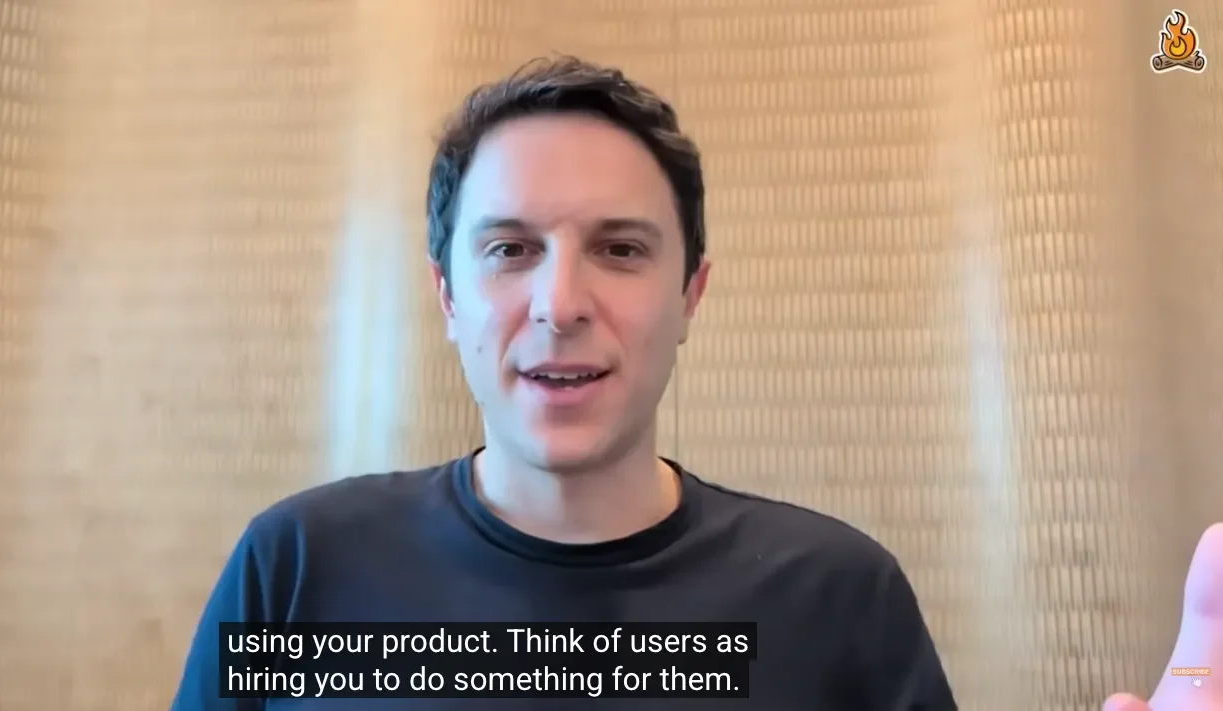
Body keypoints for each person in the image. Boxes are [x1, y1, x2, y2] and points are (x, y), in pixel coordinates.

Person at [169, 56, 1221, 710]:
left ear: (690, 294)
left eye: (620, 249)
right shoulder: (298, 567)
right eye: (510, 250)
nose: (560, 302)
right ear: (446, 296)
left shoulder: (835, 595)